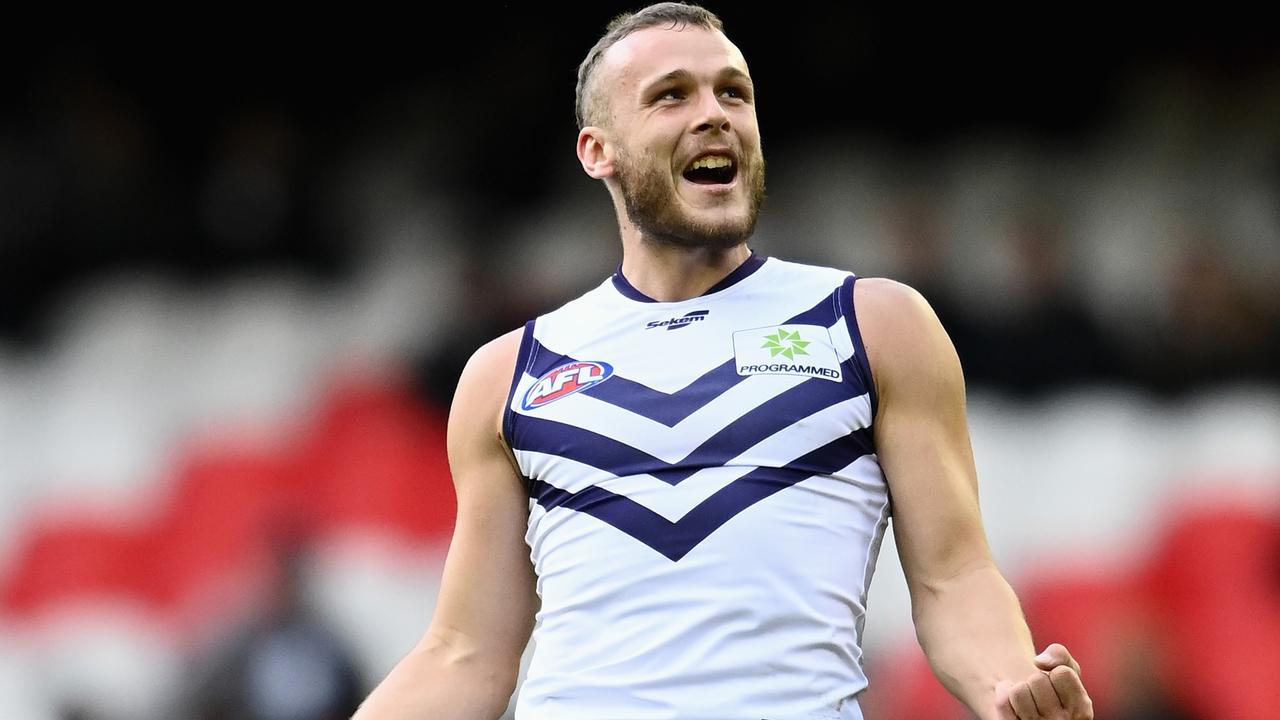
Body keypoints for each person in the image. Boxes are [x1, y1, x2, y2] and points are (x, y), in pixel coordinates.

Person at [352, 4, 1094, 719]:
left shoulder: (874, 325)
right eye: (671, 95)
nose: (716, 114)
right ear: (597, 151)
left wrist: (1008, 686)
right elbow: (465, 655)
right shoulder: (507, 373)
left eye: (733, 92)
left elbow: (955, 576)